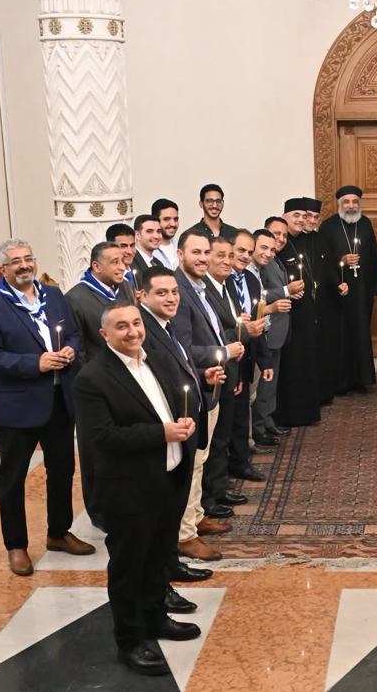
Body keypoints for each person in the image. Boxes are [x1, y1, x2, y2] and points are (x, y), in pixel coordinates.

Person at [73, 301, 201, 676]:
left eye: (136, 323)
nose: (132, 332)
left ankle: (156, 618)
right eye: (121, 327)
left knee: (160, 557)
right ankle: (130, 639)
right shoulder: (92, 378)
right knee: (130, 566)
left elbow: (170, 402)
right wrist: (162, 433)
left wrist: (183, 422)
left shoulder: (157, 359)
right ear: (105, 334)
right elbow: (103, 437)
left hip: (170, 477)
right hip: (130, 489)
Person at [0, 238, 95, 576]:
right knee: (12, 479)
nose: (24, 265)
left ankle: (58, 533)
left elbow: (73, 334)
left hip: (59, 400)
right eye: (16, 261)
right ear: (3, 269)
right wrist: (35, 363)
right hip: (18, 406)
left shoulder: (53, 295)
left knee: (62, 472)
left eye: (28, 258)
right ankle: (16, 547)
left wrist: (69, 351)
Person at [135, 266, 216, 606]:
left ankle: (171, 563)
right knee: (159, 515)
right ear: (143, 296)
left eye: (174, 292)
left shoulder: (164, 327)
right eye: (162, 293)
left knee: (173, 508)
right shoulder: (145, 332)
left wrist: (202, 374)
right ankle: (158, 586)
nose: (171, 298)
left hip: (182, 429)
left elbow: (178, 370)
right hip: (165, 434)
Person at [172, 229, 239, 561]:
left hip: (209, 384)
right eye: (195, 252)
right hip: (193, 388)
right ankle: (184, 534)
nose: (201, 258)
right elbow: (183, 349)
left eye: (205, 253)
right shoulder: (178, 290)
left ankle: (196, 519)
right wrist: (224, 351)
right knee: (192, 464)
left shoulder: (198, 287)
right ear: (180, 254)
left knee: (200, 461)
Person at [65, 241, 137, 528]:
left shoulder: (127, 289)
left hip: (130, 379)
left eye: (124, 261)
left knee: (125, 446)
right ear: (96, 266)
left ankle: (126, 501)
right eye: (115, 262)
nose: (122, 267)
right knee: (96, 452)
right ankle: (99, 512)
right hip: (97, 387)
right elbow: (79, 350)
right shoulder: (77, 298)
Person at [319, 185, 377, 393]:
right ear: (339, 204)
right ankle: (340, 382)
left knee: (360, 332)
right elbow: (322, 258)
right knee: (340, 334)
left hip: (362, 291)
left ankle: (361, 379)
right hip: (337, 291)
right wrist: (341, 259)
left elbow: (375, 256)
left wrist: (376, 288)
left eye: (354, 202)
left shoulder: (365, 224)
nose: (351, 206)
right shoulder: (328, 226)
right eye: (347, 202)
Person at [202, 236, 250, 513]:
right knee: (213, 438)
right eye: (219, 255)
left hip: (230, 368)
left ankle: (218, 487)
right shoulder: (204, 289)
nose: (226, 261)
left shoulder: (225, 287)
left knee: (222, 434)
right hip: (213, 370)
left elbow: (231, 326)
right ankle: (210, 496)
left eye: (229, 256)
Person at [275, 199, 324, 424]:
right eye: (296, 215)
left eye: (304, 217)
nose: (301, 220)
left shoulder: (303, 241)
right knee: (291, 365)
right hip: (286, 314)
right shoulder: (277, 244)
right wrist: (287, 291)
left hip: (305, 313)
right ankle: (289, 414)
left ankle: (306, 412)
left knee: (306, 362)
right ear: (285, 217)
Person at [228, 229, 269, 481]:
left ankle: (241, 462)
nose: (245, 256)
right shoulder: (223, 281)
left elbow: (259, 322)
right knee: (229, 417)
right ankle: (227, 466)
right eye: (241, 250)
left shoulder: (252, 281)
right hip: (227, 353)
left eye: (248, 252)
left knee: (243, 412)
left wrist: (264, 361)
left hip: (248, 355)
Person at [251, 220, 297, 445]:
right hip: (262, 332)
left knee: (270, 383)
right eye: (275, 235)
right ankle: (259, 428)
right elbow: (261, 296)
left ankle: (266, 422)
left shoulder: (274, 259)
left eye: (283, 236)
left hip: (274, 330)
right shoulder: (254, 269)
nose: (279, 241)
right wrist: (286, 292)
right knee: (261, 385)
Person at [301, 196, 348, 405]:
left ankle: (324, 392)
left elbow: (329, 267)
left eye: (315, 217)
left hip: (322, 304)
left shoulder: (320, 240)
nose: (312, 221)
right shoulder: (291, 241)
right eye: (308, 216)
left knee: (323, 348)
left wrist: (339, 284)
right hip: (301, 306)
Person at [132, 213, 165, 284]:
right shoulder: (130, 263)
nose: (156, 236)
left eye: (159, 231)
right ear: (137, 235)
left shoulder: (159, 264)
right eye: (149, 231)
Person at [106, 223, 139, 288]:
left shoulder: (140, 271)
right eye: (123, 246)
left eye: (132, 245)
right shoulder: (107, 279)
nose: (129, 251)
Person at [153, 198, 181, 270]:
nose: (173, 224)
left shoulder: (181, 246)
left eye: (175, 219)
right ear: (155, 220)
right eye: (166, 219)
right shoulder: (149, 251)